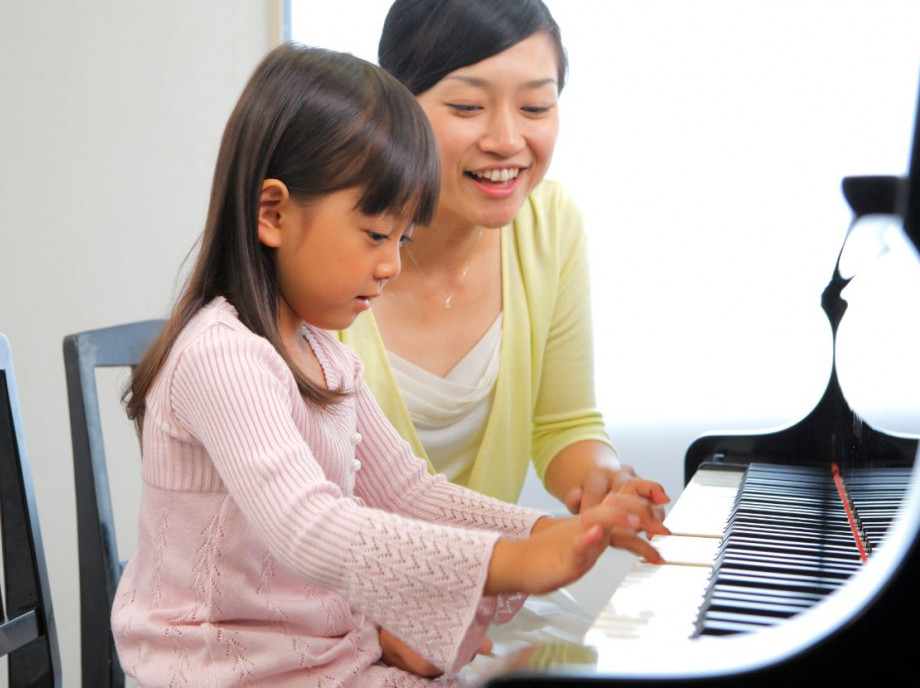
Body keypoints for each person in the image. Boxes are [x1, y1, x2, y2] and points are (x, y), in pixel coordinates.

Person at [111, 43, 667, 687]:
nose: (391, 265)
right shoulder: (221, 355)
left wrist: (559, 532)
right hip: (225, 670)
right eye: (376, 235)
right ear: (273, 213)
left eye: (403, 239)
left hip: (322, 654)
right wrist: (519, 561)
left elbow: (410, 494)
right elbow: (310, 528)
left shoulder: (325, 353)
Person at [340, 0, 668, 522]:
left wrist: (605, 480)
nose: (508, 141)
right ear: (394, 105)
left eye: (535, 108)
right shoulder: (323, 237)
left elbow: (564, 425)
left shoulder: (549, 224)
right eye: (468, 107)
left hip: (494, 572)